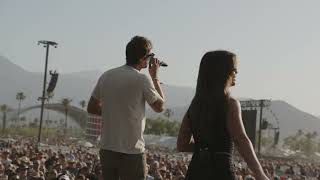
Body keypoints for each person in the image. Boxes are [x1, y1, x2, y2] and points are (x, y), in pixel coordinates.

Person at [176, 50, 269, 180]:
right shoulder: (229, 104)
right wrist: (259, 173)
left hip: (195, 170)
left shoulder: (194, 105)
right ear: (223, 72)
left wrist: (204, 147)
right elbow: (240, 139)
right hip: (220, 170)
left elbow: (181, 145)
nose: (236, 73)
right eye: (234, 69)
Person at [87, 35, 165, 180]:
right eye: (150, 56)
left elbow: (91, 107)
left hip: (108, 148)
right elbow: (160, 106)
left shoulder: (106, 75)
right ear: (143, 58)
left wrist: (113, 112)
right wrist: (155, 77)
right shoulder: (142, 79)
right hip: (132, 150)